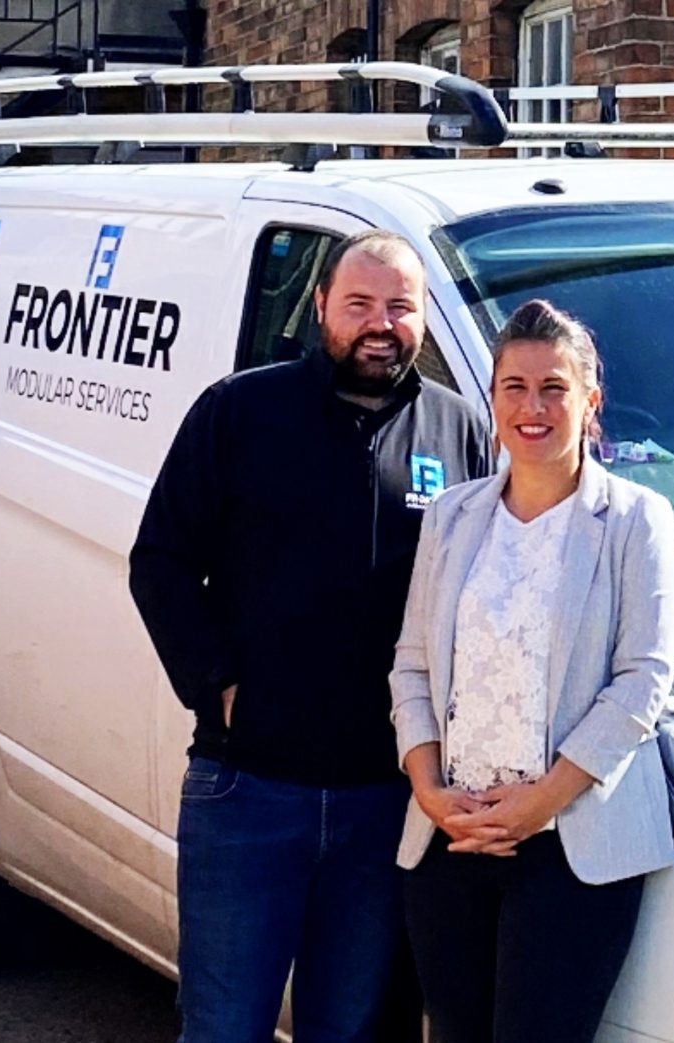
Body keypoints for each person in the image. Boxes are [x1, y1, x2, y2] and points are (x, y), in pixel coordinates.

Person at [129, 229, 493, 1043]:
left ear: (423, 318)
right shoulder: (240, 411)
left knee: (350, 1030)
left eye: (399, 306)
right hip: (250, 791)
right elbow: (159, 562)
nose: (379, 322)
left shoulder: (458, 431)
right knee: (225, 1027)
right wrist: (219, 684)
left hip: (383, 801)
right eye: (359, 302)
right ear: (320, 305)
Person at [390, 298, 674, 1043]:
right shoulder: (452, 517)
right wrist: (429, 790)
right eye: (513, 387)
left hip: (572, 847)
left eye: (553, 386)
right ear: (491, 401)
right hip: (451, 838)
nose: (533, 406)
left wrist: (539, 802)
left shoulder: (635, 521)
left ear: (590, 401)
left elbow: (642, 682)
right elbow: (412, 667)